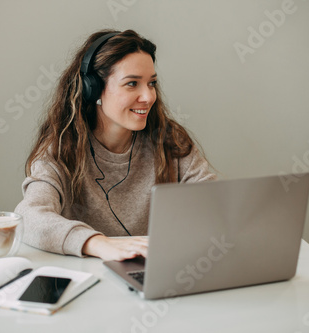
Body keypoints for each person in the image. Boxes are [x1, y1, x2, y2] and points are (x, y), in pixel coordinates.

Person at [14, 29, 216, 262]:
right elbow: (28, 217)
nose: (148, 97)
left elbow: (213, 201)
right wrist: (97, 243)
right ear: (93, 89)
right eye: (132, 83)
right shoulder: (61, 149)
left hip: (156, 275)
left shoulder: (169, 140)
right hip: (87, 279)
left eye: (151, 83)